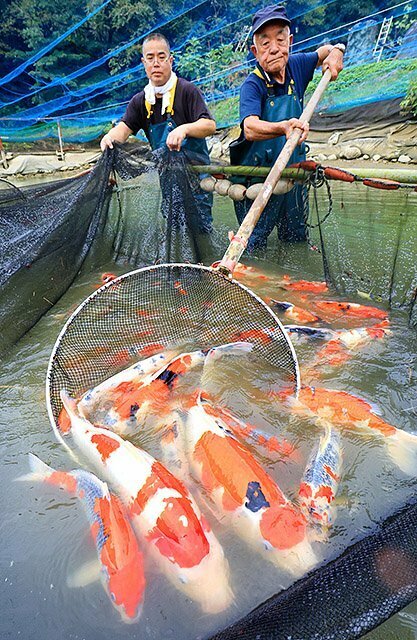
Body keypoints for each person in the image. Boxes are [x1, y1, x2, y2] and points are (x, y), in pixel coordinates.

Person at [229, 4, 344, 250]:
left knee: (296, 242)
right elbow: (250, 127)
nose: (274, 49)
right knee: (253, 245)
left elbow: (325, 51)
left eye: (280, 39)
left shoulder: (297, 66)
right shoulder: (252, 85)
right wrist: (283, 127)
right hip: (257, 179)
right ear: (255, 50)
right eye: (265, 43)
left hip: (292, 174)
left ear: (290, 41)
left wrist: (335, 53)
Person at [100, 32, 216, 233]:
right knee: (175, 231)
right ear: (143, 63)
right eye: (150, 58)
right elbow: (124, 129)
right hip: (169, 179)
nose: (156, 63)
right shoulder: (140, 101)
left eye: (161, 57)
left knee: (201, 232)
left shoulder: (187, 90)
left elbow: (209, 126)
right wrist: (109, 138)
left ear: (170, 60)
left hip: (197, 180)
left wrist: (184, 129)